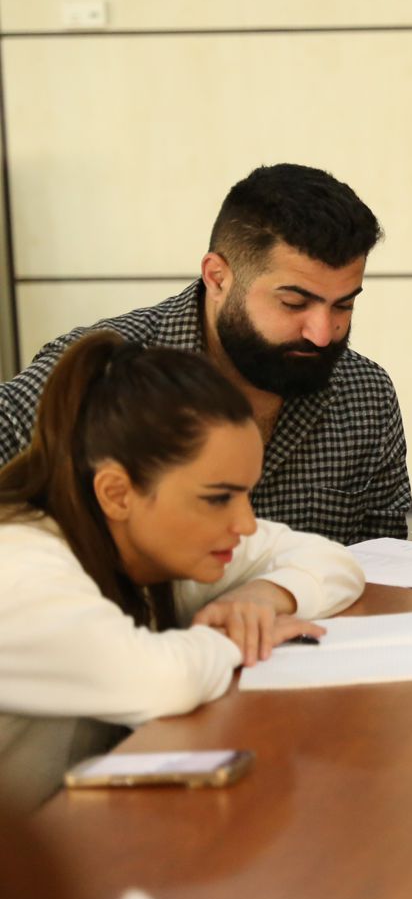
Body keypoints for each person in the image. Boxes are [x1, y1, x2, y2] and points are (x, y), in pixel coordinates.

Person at [0, 333, 364, 809]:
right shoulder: (18, 566)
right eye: (218, 498)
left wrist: (259, 597)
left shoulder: (153, 538)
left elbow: (334, 561)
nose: (245, 523)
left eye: (246, 494)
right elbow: (159, 681)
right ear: (116, 493)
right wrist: (233, 640)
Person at [0, 163, 410, 544]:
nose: (322, 335)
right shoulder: (102, 374)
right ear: (217, 277)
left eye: (343, 305)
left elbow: (383, 565)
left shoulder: (365, 394)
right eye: (293, 303)